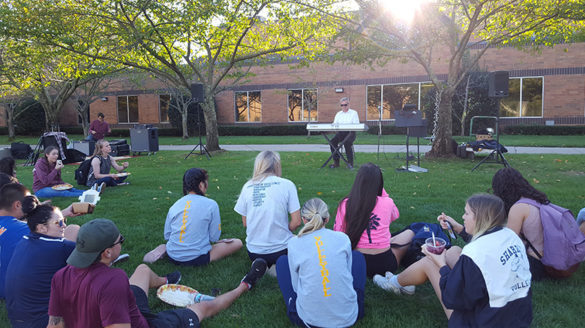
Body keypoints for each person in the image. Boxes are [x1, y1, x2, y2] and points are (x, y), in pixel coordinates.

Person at [47, 218, 268, 328]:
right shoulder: (112, 279)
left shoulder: (62, 275)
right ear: (107, 252)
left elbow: (54, 324)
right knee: (203, 307)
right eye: (119, 241)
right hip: (146, 324)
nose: (121, 243)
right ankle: (245, 284)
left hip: (131, 310)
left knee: (142, 270)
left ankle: (167, 281)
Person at [374, 194, 532, 327]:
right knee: (454, 251)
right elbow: (486, 247)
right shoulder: (511, 236)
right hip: (517, 316)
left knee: (428, 262)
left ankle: (393, 283)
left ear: (480, 218)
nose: (463, 216)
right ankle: (404, 283)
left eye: (467, 213)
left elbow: (454, 299)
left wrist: (440, 264)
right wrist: (457, 227)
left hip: (483, 322)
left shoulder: (474, 253)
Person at [276, 198, 366, 327]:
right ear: (327, 218)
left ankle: (295, 308)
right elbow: (348, 274)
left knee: (282, 262)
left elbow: (296, 287)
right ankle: (355, 302)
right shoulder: (342, 238)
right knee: (357, 257)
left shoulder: (294, 243)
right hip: (348, 317)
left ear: (303, 219)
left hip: (308, 321)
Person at [491, 167, 576, 280]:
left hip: (535, 265)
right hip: (550, 259)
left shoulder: (518, 208)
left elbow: (509, 243)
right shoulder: (535, 199)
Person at [5, 200, 80, 328]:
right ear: (41, 227)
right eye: (59, 223)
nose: (64, 226)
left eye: (64, 221)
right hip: (47, 322)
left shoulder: (24, 241)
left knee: (73, 229)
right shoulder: (61, 247)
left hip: (18, 320)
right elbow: (99, 252)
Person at [145, 168, 243, 265]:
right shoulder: (211, 205)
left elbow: (167, 235)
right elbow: (214, 237)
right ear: (201, 185)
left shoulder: (175, 205)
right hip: (197, 257)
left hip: (173, 256)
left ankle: (166, 248)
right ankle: (178, 249)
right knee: (237, 242)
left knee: (169, 244)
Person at [334, 163, 414, 278]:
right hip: (384, 264)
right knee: (410, 233)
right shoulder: (387, 202)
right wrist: (382, 192)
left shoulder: (346, 204)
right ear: (379, 183)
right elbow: (395, 215)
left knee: (392, 239)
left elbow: (338, 233)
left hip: (356, 263)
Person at [234, 150, 301, 270]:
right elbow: (296, 222)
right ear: (277, 165)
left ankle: (264, 267)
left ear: (258, 165)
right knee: (305, 240)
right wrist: (284, 230)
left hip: (254, 252)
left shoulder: (248, 186)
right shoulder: (287, 185)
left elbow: (245, 223)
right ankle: (277, 267)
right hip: (281, 250)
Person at [0, 183, 31, 299]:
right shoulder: (23, 229)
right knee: (72, 230)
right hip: (10, 290)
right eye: (28, 203)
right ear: (18, 205)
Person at [328, 97, 360, 169]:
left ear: (349, 104)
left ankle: (350, 163)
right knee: (332, 142)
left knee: (347, 143)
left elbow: (356, 125)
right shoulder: (338, 114)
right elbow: (334, 124)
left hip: (351, 133)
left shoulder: (354, 113)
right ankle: (336, 162)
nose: (344, 107)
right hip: (341, 133)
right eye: (342, 105)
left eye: (345, 105)